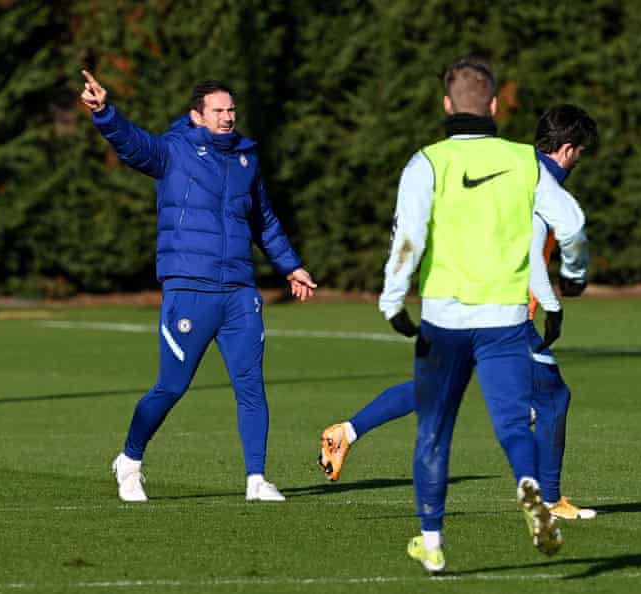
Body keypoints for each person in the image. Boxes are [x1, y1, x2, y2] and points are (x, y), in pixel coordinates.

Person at [319, 105, 598, 523]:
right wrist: (554, 305)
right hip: (503, 313)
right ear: (569, 149)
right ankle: (549, 499)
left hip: (456, 301)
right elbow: (533, 250)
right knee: (554, 399)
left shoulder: (508, 165)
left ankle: (346, 431)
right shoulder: (539, 180)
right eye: (581, 152)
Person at [377, 56, 590, 574]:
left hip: (445, 319)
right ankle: (530, 487)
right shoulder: (524, 160)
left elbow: (409, 237)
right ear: (494, 106)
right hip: (505, 320)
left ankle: (432, 543)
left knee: (434, 430)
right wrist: (573, 276)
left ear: (446, 104)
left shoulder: (426, 163)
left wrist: (393, 300)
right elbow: (572, 225)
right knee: (514, 424)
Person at [80, 70, 316, 503]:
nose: (227, 117)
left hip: (239, 292)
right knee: (171, 387)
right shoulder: (173, 151)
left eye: (231, 110)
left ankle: (257, 479)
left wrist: (291, 266)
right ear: (197, 115)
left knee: (250, 385)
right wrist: (105, 112)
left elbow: (263, 220)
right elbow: (132, 144)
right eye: (218, 111)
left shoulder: (246, 158)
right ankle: (129, 460)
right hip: (189, 289)